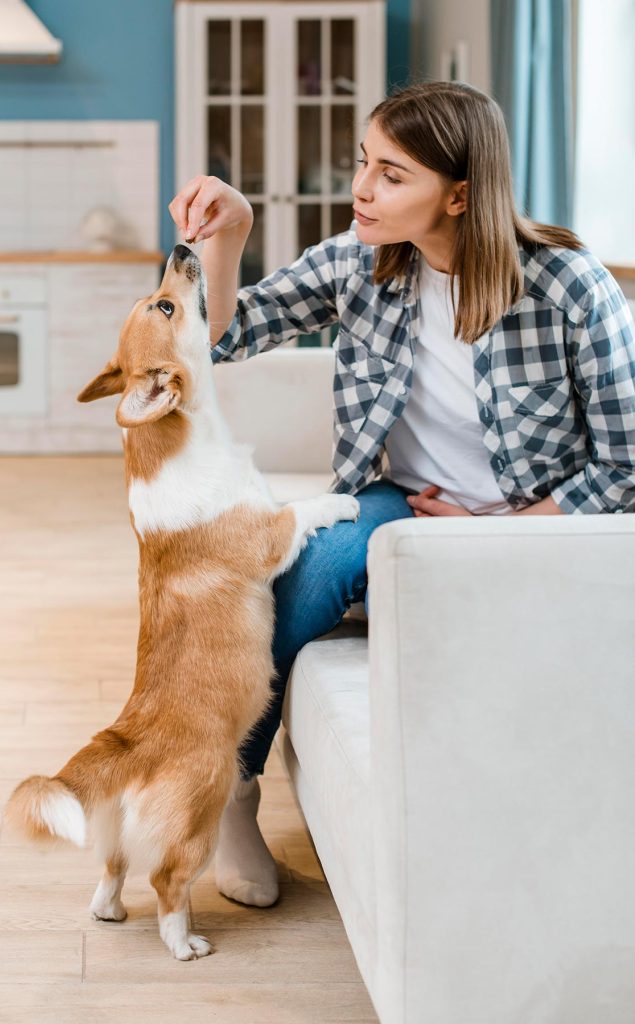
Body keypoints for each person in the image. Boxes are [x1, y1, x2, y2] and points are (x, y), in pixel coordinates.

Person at [169, 81, 635, 907]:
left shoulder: (568, 285)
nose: (361, 188)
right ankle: (233, 797)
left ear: (457, 195)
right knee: (291, 577)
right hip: (404, 501)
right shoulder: (357, 262)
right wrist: (229, 236)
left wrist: (506, 532)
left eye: (391, 174)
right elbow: (223, 338)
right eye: (362, 163)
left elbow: (625, 461)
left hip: (538, 527)